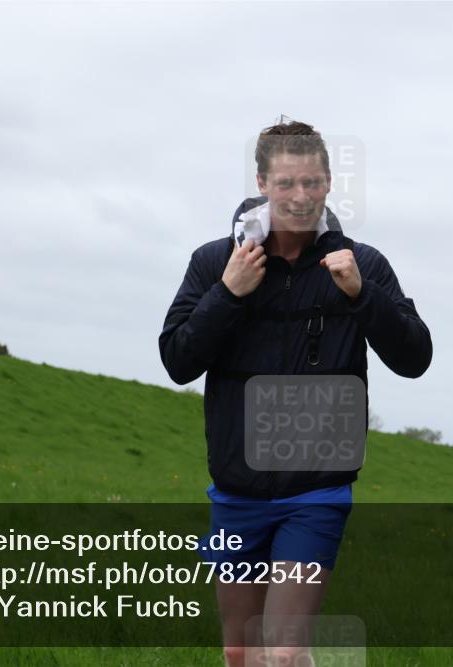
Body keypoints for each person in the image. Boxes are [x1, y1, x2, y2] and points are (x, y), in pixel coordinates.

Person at [159, 118, 432, 666]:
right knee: (241, 651)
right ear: (261, 183)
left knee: (282, 651)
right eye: (286, 184)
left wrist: (362, 296)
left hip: (316, 492)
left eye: (312, 183)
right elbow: (178, 361)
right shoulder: (215, 262)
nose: (300, 197)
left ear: (329, 183)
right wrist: (228, 294)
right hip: (236, 489)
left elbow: (415, 358)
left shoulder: (362, 265)